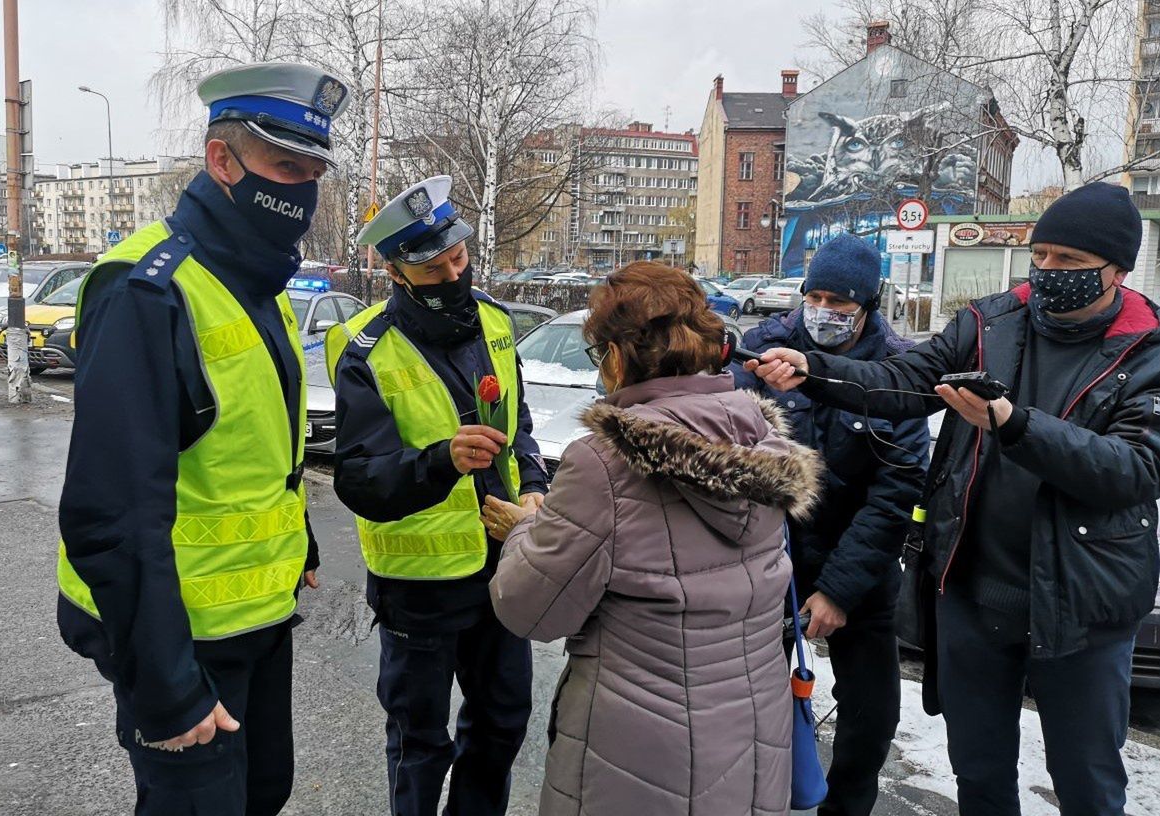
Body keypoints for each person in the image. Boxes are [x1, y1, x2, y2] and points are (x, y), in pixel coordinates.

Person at [748, 182, 1160, 816]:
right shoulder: (988, 322)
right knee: (979, 775)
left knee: (1088, 784)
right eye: (1041, 254)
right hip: (972, 594)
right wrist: (815, 371)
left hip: (1084, 607)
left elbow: (1131, 470)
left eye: (1069, 262)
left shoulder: (1149, 351)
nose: (1047, 271)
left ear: (1117, 271)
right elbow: (902, 380)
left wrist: (1012, 423)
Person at [56, 62, 350, 814]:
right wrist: (166, 690)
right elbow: (111, 514)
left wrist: (300, 545)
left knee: (262, 794)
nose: (302, 190)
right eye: (285, 166)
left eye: (313, 170)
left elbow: (251, 446)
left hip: (257, 617)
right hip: (178, 637)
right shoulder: (146, 289)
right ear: (222, 160)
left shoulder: (255, 282)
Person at [484, 262, 824, 815]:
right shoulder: (760, 443)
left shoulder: (604, 464)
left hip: (637, 759)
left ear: (617, 359)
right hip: (753, 739)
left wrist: (527, 528)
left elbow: (529, 612)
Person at [326, 175, 549, 816]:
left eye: (460, 256)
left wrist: (532, 485)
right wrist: (440, 461)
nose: (456, 273)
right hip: (419, 586)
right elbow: (360, 479)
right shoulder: (365, 349)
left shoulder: (498, 324)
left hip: (502, 570)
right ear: (397, 270)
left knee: (503, 723)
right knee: (420, 743)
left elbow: (518, 429)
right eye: (435, 266)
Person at [732, 233, 929, 816]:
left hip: (859, 569)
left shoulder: (898, 369)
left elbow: (897, 492)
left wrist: (839, 590)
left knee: (871, 718)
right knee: (746, 712)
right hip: (770, 567)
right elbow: (734, 457)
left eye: (840, 303)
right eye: (814, 296)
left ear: (867, 305)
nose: (824, 312)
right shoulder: (762, 350)